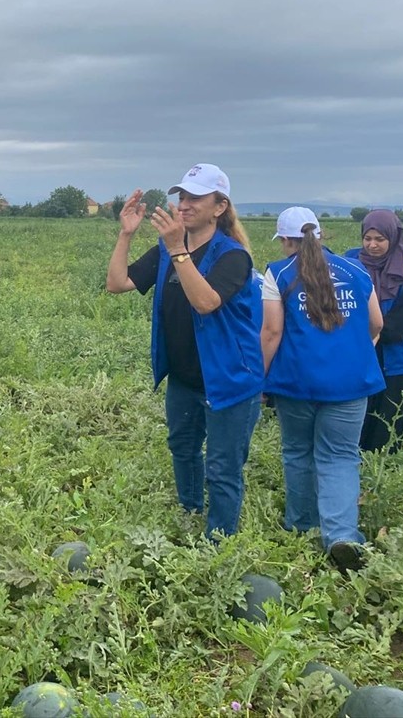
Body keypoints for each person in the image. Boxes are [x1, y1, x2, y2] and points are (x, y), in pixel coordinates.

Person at [106, 164, 264, 539]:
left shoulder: (233, 256)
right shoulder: (165, 249)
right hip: (184, 377)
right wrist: (126, 235)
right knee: (182, 447)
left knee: (223, 467)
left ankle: (218, 542)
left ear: (219, 206)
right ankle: (191, 512)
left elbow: (206, 302)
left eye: (196, 197)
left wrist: (178, 249)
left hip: (228, 379)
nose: (184, 204)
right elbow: (117, 283)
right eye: (182, 196)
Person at [261, 207, 385, 572]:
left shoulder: (279, 273)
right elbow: (377, 323)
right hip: (350, 385)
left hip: (297, 383)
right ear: (321, 234)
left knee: (298, 452)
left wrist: (259, 381)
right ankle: (342, 535)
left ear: (286, 241)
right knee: (341, 456)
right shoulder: (357, 270)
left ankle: (300, 524)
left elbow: (271, 333)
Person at [345, 209, 403, 454]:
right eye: (367, 238)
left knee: (390, 414)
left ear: (393, 237)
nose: (372, 245)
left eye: (379, 239)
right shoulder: (350, 261)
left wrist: (376, 332)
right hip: (360, 348)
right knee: (358, 411)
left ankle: (385, 464)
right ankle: (357, 459)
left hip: (397, 349)